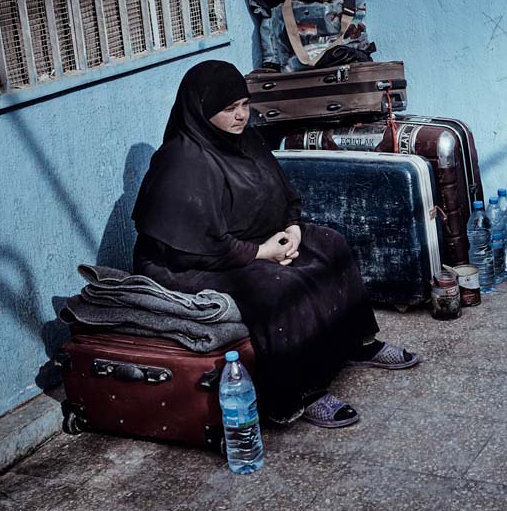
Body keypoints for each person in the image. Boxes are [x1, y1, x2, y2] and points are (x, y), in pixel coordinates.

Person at [130, 60, 418, 428]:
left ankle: (358, 343)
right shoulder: (181, 161)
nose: (240, 117)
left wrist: (292, 229)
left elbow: (283, 196)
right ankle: (302, 390)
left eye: (244, 105)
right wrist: (263, 253)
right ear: (201, 111)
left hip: (248, 242)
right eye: (229, 109)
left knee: (330, 245)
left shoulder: (245, 141)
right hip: (188, 263)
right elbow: (193, 245)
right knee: (275, 287)